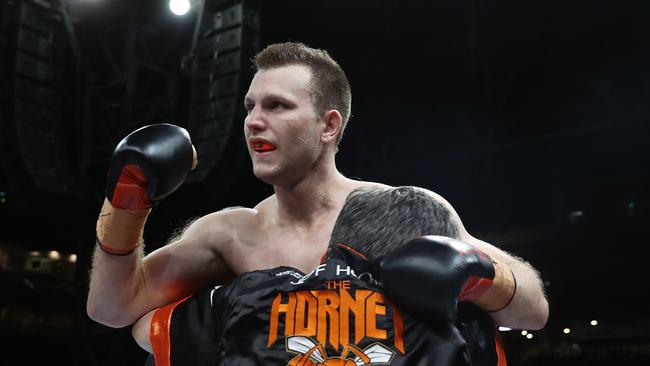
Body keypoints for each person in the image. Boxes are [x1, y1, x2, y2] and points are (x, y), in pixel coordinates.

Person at [86, 42, 548, 332]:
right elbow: (113, 307)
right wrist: (126, 206)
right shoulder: (228, 234)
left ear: (329, 125)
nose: (253, 122)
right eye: (250, 107)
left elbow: (532, 311)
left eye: (277, 106)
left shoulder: (402, 211)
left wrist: (481, 276)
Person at [131, 186, 510, 365]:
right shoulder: (453, 324)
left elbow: (144, 328)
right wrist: (481, 279)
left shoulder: (259, 294)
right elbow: (531, 312)